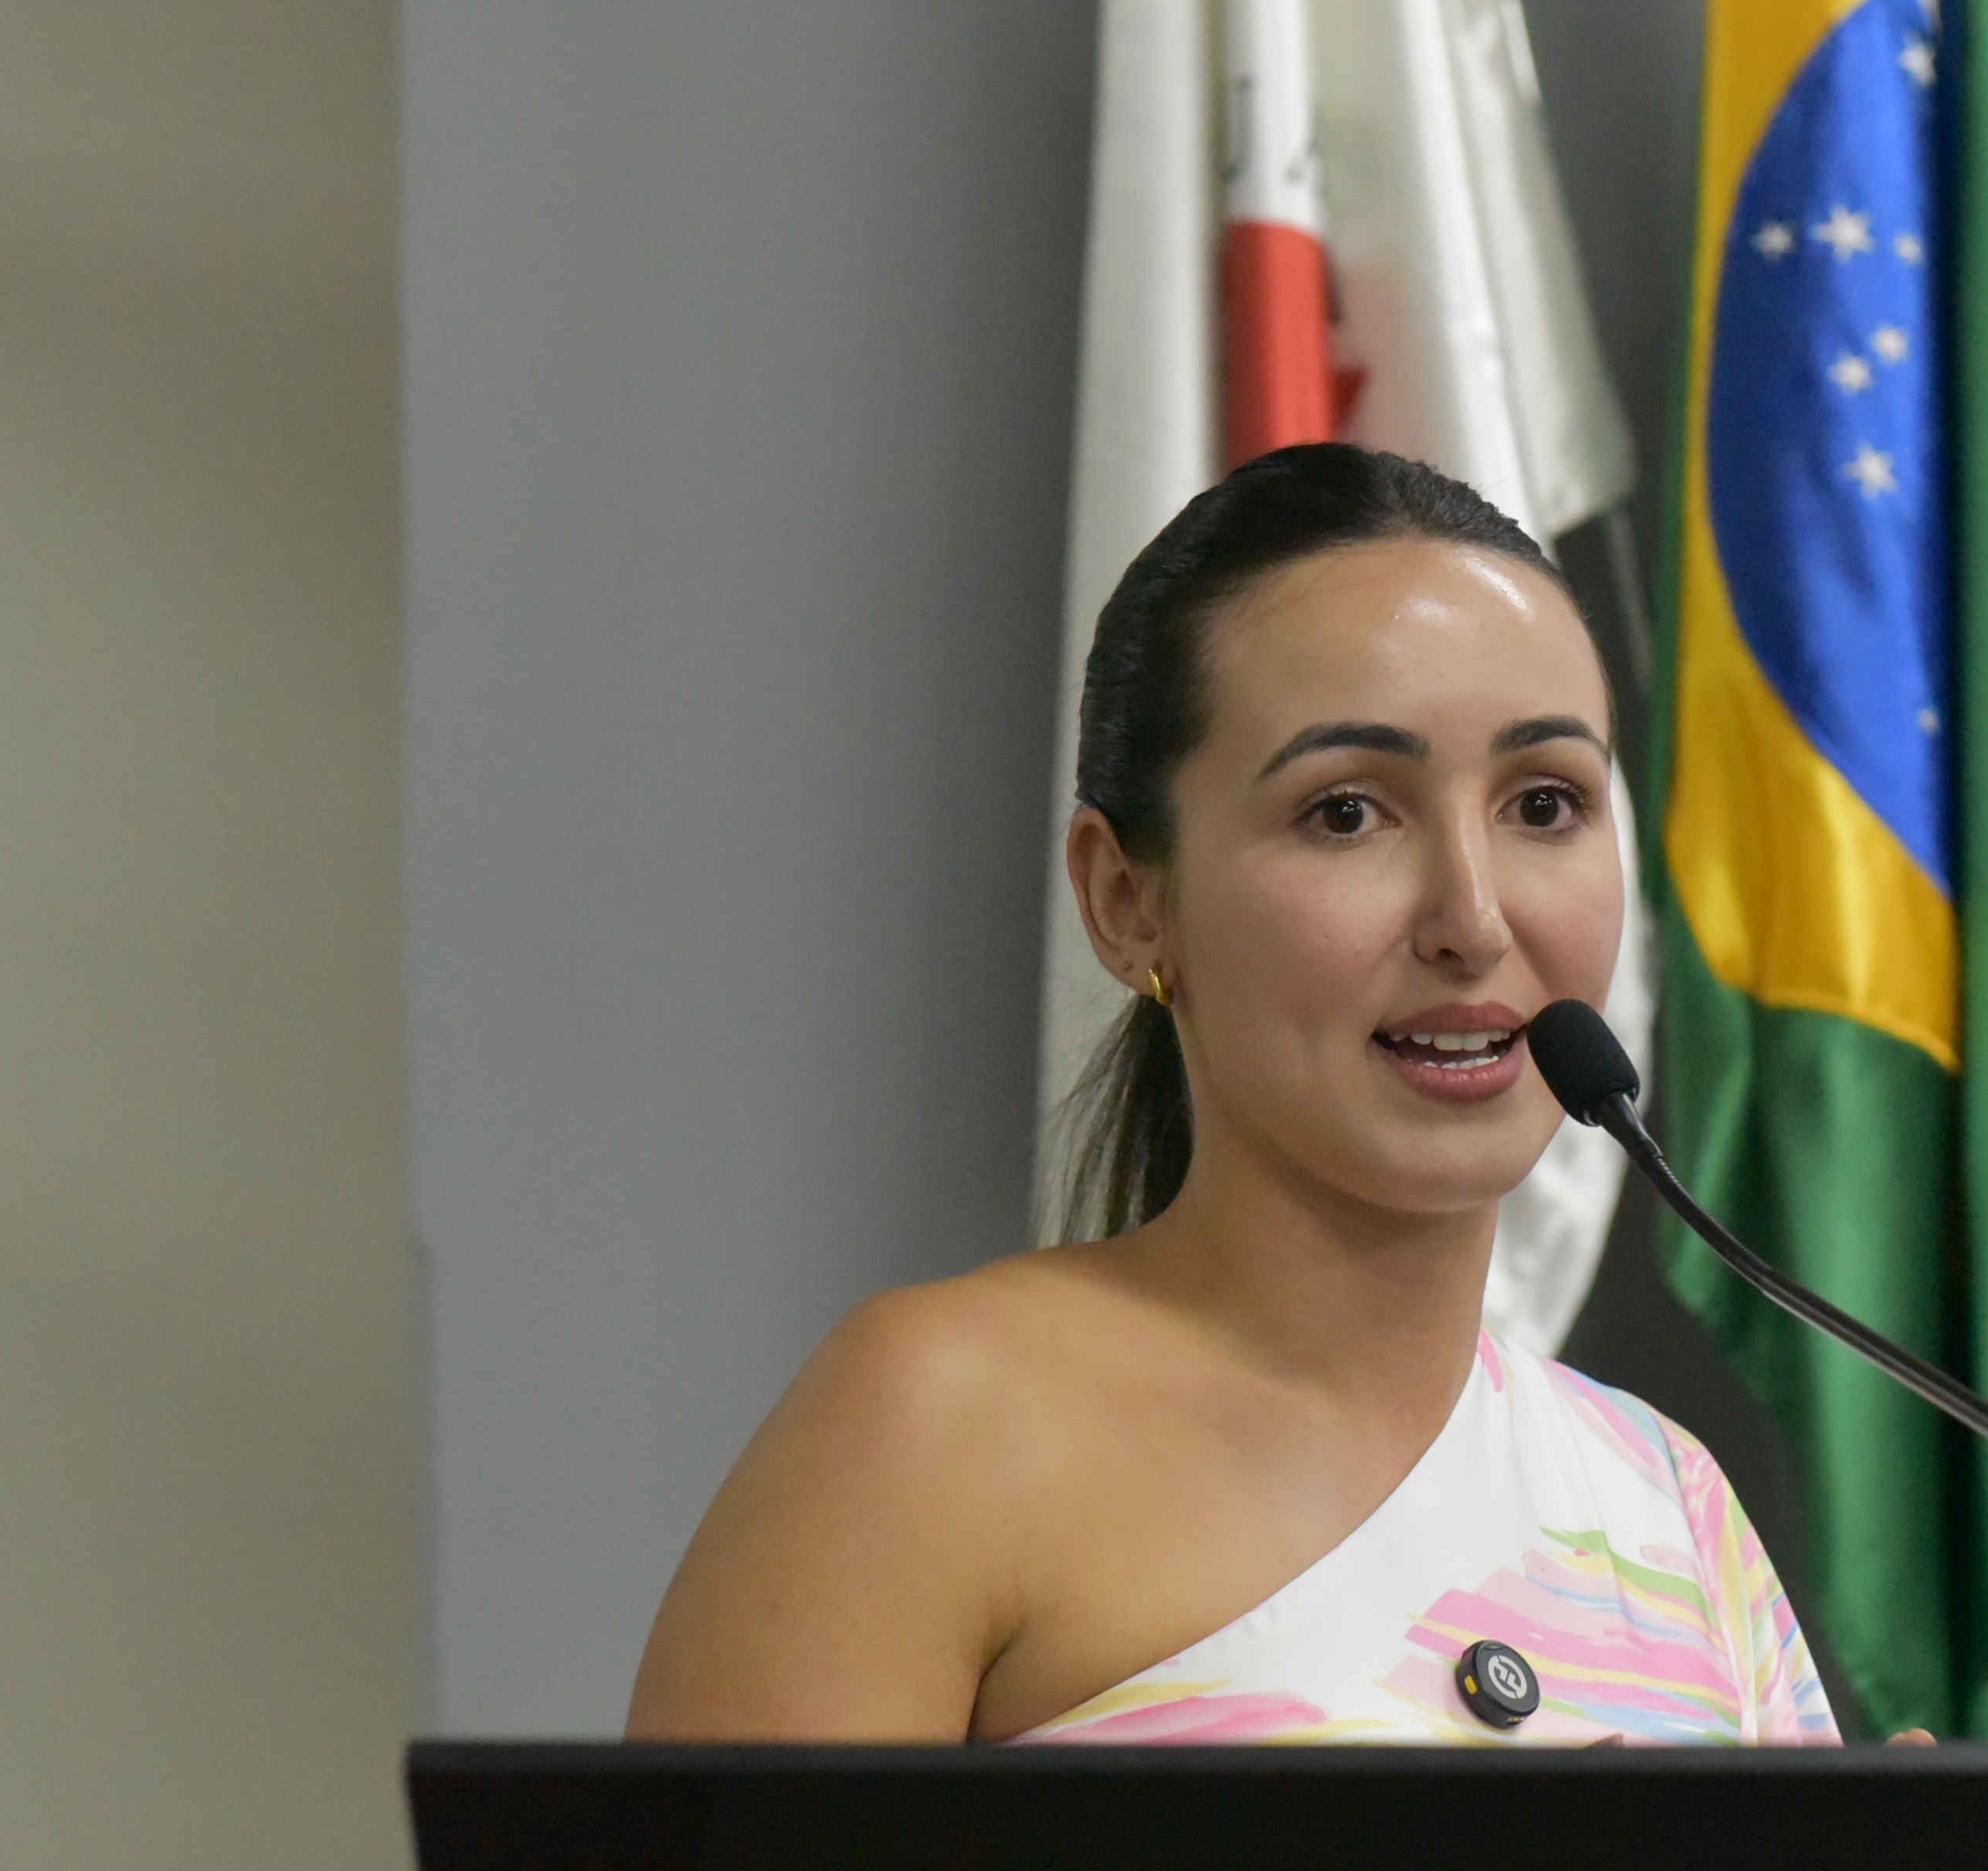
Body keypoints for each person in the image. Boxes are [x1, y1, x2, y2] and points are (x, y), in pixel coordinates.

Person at [628, 444, 1842, 1747]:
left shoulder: (1667, 1505)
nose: (1474, 920)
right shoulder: (933, 1424)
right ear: (1126, 900)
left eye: (1544, 803)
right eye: (1347, 814)